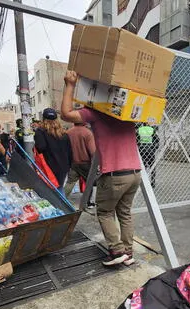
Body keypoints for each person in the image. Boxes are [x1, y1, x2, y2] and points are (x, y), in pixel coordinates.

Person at [61, 70, 141, 267]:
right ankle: (128, 253)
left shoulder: (97, 112)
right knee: (125, 213)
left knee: (104, 212)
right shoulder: (126, 112)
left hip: (114, 174)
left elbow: (65, 114)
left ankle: (116, 251)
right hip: (135, 173)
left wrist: (70, 84)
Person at [34, 108, 72, 194]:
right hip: (63, 167)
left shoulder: (41, 132)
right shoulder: (64, 134)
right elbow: (70, 152)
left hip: (48, 167)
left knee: (49, 192)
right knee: (59, 189)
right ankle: (63, 206)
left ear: (43, 119)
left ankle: (58, 207)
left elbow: (41, 147)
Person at [64, 120, 96, 197]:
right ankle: (87, 203)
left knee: (70, 182)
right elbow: (93, 151)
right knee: (89, 183)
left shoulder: (68, 132)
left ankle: (62, 199)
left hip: (73, 163)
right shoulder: (87, 133)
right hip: (85, 163)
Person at [136, 123, 159, 188]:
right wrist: (154, 149)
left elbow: (136, 140)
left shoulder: (139, 130)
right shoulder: (152, 130)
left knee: (142, 167)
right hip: (150, 151)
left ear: (143, 123)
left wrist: (139, 147)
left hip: (142, 151)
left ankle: (141, 182)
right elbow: (157, 140)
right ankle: (153, 182)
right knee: (152, 166)